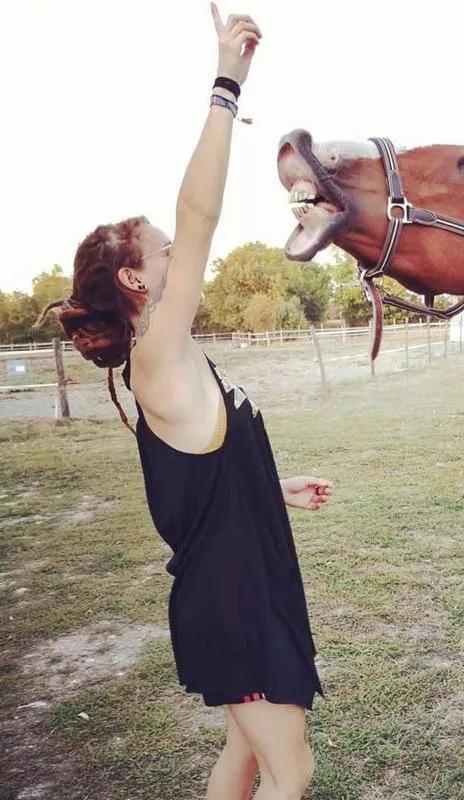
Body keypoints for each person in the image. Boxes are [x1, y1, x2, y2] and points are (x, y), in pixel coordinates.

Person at [38, 5, 329, 799]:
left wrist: (274, 490)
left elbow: (203, 479)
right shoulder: (156, 351)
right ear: (136, 278)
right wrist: (227, 81)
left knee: (242, 761)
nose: (180, 248)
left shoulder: (177, 353)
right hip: (229, 599)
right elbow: (201, 213)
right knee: (290, 770)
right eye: (163, 250)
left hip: (248, 576)